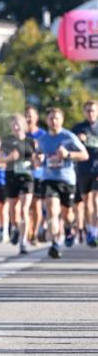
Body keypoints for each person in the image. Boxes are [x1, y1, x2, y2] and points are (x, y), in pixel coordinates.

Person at [35, 107, 87, 259]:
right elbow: (37, 159)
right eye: (51, 118)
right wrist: (38, 159)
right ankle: (55, 244)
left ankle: (68, 228)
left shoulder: (69, 136)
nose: (54, 121)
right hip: (48, 179)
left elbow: (84, 155)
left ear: (62, 120)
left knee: (67, 214)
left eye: (56, 118)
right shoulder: (43, 139)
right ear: (47, 120)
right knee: (52, 209)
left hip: (66, 179)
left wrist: (68, 154)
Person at [1, 113, 36, 254]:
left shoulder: (30, 141)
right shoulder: (7, 141)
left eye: (18, 123)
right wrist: (9, 158)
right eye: (13, 124)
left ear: (23, 124)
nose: (16, 127)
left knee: (24, 209)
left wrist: (37, 160)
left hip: (27, 178)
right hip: (11, 177)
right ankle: (15, 228)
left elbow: (36, 159)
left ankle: (23, 241)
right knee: (13, 210)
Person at [72, 99, 98, 248]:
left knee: (96, 200)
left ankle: (95, 232)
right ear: (84, 112)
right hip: (82, 170)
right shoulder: (78, 128)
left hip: (97, 169)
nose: (90, 113)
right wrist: (78, 140)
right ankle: (90, 230)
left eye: (93, 110)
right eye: (88, 110)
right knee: (86, 203)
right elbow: (69, 147)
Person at [25, 105, 47, 245]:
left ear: (36, 118)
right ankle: (26, 232)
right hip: (23, 175)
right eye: (26, 116)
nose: (28, 118)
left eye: (30, 116)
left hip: (38, 175)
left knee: (36, 206)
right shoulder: (20, 134)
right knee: (25, 207)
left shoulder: (43, 135)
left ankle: (34, 233)